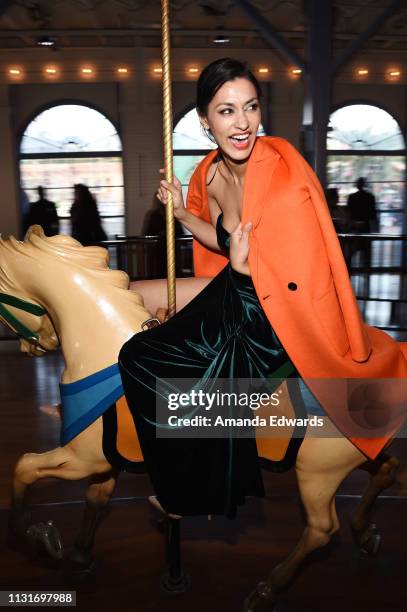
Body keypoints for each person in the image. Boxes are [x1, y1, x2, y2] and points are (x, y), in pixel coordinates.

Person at [118, 58, 407, 519]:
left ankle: (194, 493)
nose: (242, 122)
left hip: (278, 315)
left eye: (250, 107)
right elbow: (223, 239)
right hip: (235, 292)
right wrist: (182, 213)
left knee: (206, 377)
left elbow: (298, 267)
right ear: (205, 120)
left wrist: (247, 268)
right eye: (227, 110)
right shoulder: (209, 174)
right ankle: (176, 474)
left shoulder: (282, 170)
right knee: (137, 353)